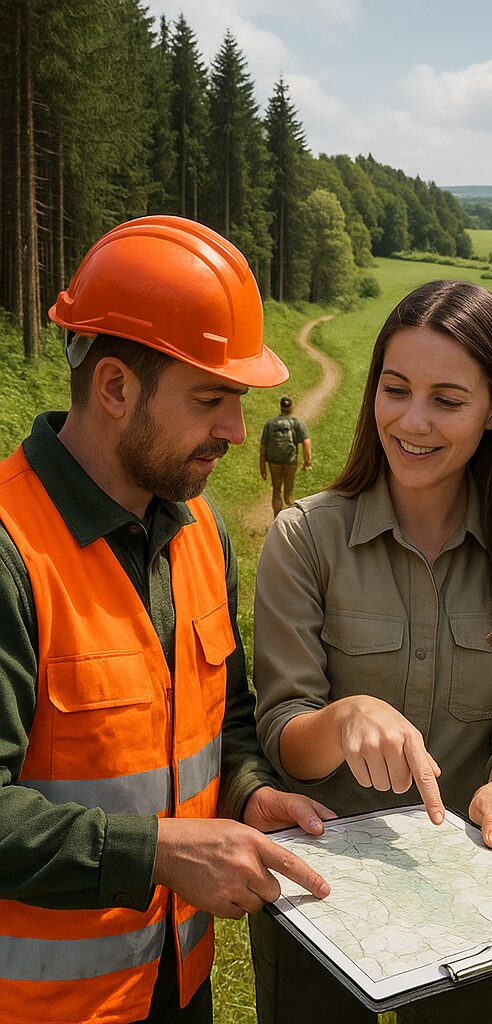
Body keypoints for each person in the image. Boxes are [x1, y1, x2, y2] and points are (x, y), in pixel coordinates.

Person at [0, 216, 334, 1024]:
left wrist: (250, 793)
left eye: (240, 401)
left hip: (178, 990)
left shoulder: (198, 531)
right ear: (115, 388)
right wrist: (156, 853)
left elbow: (233, 720)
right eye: (211, 399)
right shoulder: (10, 552)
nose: (235, 431)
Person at [248, 279, 492, 1024]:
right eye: (395, 390)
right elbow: (283, 734)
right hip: (319, 895)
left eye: (448, 400)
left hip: (473, 903)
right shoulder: (305, 540)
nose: (413, 421)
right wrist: (345, 718)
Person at [260, 395, 312, 516]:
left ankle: (276, 519)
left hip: (273, 461)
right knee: (288, 492)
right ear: (291, 408)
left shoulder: (270, 423)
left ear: (281, 407)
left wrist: (262, 466)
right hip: (290, 461)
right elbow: (306, 443)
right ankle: (287, 521)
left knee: (276, 490)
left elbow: (263, 447)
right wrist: (307, 461)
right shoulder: (297, 423)